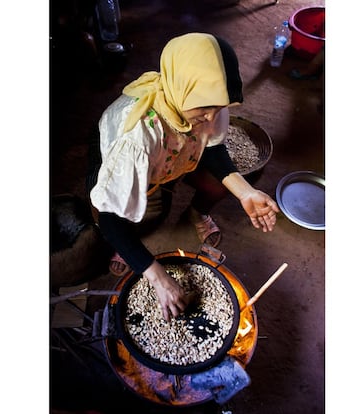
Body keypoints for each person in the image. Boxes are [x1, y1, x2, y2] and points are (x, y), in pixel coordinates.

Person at [86, 32, 279, 322]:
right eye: (205, 108)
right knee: (139, 218)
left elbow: (211, 147)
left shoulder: (205, 103)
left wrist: (244, 191)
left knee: (212, 184)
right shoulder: (138, 136)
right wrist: (156, 276)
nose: (212, 118)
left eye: (219, 107)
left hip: (170, 159)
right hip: (118, 170)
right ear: (181, 86)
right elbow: (109, 215)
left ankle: (193, 212)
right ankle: (125, 248)